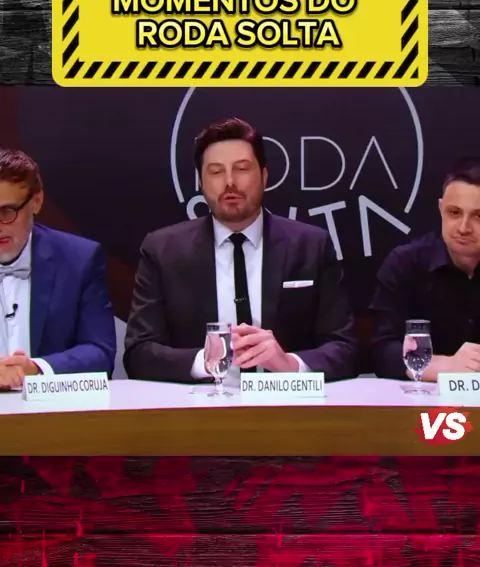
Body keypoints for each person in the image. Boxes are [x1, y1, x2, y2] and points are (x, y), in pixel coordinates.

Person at [124, 118, 357, 383]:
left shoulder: (311, 246)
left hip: (287, 402)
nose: (229, 182)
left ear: (264, 176)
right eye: (216, 172)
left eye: (242, 169)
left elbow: (345, 350)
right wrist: (207, 360)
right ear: (201, 182)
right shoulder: (163, 250)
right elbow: (139, 353)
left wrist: (290, 365)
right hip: (200, 403)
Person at [0, 148, 116, 389]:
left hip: (51, 408)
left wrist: (35, 369)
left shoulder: (79, 260)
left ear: (36, 201)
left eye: (7, 212)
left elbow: (99, 353)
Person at [370, 157, 480, 381]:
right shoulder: (405, 263)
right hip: (423, 393)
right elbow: (382, 350)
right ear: (441, 208)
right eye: (454, 212)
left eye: (479, 216)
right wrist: (441, 366)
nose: (463, 228)